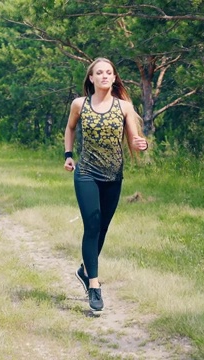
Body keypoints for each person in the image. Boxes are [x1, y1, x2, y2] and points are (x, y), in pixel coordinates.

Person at [63, 58, 148, 313]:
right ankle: (94, 285)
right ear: (91, 78)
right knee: (92, 224)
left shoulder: (125, 107)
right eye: (99, 72)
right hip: (87, 173)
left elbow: (133, 139)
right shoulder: (80, 104)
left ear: (114, 78)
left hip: (113, 176)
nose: (104, 76)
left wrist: (140, 144)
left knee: (102, 228)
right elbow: (70, 129)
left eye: (108, 73)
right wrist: (68, 156)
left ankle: (84, 269)